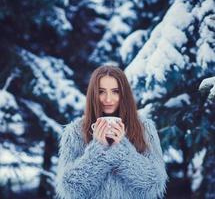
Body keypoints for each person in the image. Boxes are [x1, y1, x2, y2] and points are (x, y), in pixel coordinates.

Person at [56, 65, 168, 199]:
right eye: (101, 91)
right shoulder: (75, 132)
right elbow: (69, 188)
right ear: (93, 94)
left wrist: (122, 149)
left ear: (124, 94)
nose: (108, 99)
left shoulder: (145, 128)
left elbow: (154, 183)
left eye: (115, 91)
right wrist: (98, 149)